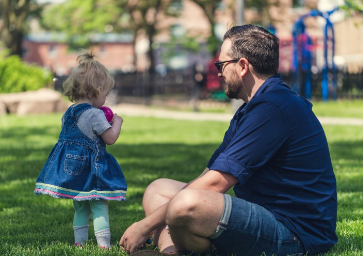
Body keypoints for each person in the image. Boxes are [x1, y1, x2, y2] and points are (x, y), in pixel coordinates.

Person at [120, 24, 337, 256]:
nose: (219, 72)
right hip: (265, 214)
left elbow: (216, 184)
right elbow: (210, 173)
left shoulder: (273, 107)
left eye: (221, 65)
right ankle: (171, 252)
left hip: (295, 233)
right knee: (158, 190)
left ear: (243, 65)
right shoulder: (253, 108)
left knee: (186, 204)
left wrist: (144, 226)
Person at [34, 51, 126, 249]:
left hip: (72, 170)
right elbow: (110, 139)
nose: (106, 97)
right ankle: (103, 245)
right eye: (105, 93)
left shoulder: (69, 112)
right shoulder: (95, 115)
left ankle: (80, 244)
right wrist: (117, 122)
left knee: (81, 206)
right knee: (99, 204)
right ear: (97, 90)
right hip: (91, 171)